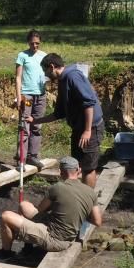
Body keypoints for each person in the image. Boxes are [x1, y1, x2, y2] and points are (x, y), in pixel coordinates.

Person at [0, 156, 102, 257]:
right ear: (78, 170)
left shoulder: (57, 188)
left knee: (6, 216)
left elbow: (41, 209)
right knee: (24, 205)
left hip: (55, 239)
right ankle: (28, 247)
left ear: (61, 172)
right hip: (64, 231)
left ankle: (6, 254)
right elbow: (97, 221)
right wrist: (79, 214)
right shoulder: (90, 192)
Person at [26, 53, 104, 188]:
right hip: (78, 128)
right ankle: (78, 198)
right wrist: (35, 120)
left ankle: (88, 202)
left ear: (52, 66)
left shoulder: (72, 76)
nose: (46, 75)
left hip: (90, 128)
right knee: (77, 164)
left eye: (46, 71)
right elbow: (59, 113)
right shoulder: (63, 80)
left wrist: (87, 131)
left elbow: (89, 102)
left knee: (88, 168)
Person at [14, 29, 46, 170]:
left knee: (37, 126)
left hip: (41, 95)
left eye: (37, 43)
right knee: (24, 127)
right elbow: (18, 77)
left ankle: (33, 156)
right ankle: (21, 158)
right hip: (26, 95)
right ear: (28, 42)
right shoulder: (22, 56)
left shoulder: (44, 56)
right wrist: (19, 96)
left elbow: (48, 74)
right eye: (33, 43)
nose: (35, 46)